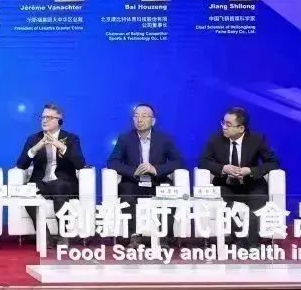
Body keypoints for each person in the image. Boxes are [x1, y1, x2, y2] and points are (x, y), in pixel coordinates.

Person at [199, 107, 280, 247]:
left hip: (251, 184)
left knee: (257, 203)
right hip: (226, 184)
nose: (224, 127)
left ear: (241, 128)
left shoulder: (257, 139)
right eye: (223, 123)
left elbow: (273, 163)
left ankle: (253, 243)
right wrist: (223, 168)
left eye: (228, 124)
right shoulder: (215, 139)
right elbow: (202, 161)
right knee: (223, 202)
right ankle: (237, 239)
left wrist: (250, 170)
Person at [106, 104, 184, 245]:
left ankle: (163, 237)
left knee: (168, 193)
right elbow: (112, 162)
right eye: (136, 116)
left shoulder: (164, 139)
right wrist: (133, 172)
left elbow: (178, 162)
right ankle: (134, 236)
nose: (139, 119)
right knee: (127, 194)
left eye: (144, 116)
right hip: (133, 181)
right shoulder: (125, 138)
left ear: (153, 121)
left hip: (157, 180)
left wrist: (155, 169)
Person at [15, 103, 86, 246]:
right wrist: (36, 148)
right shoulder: (33, 139)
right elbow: (21, 165)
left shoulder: (71, 139)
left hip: (63, 182)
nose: (44, 120)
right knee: (25, 192)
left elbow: (80, 164)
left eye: (49, 117)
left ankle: (63, 234)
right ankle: (44, 234)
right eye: (43, 117)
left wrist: (60, 146)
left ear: (59, 121)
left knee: (59, 187)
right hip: (41, 182)